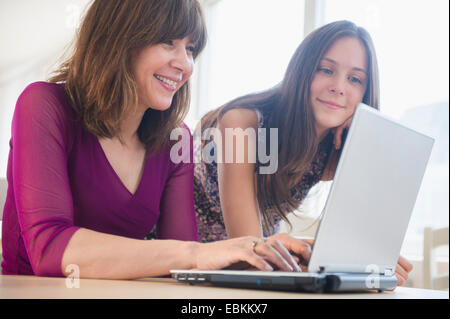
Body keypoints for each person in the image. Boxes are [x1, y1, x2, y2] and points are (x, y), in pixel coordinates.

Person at [1, 0, 312, 279]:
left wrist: (262, 253)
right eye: (167, 42)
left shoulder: (175, 139)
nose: (186, 64)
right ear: (119, 39)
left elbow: (180, 263)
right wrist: (194, 253)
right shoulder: (43, 104)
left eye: (190, 48)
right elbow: (50, 249)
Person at [193, 20, 413, 285]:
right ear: (302, 71)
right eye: (325, 70)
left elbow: (365, 232)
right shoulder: (242, 122)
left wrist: (365, 136)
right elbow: (250, 251)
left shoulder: (330, 150)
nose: (339, 87)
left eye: (355, 79)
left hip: (257, 273)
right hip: (184, 262)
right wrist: (322, 253)